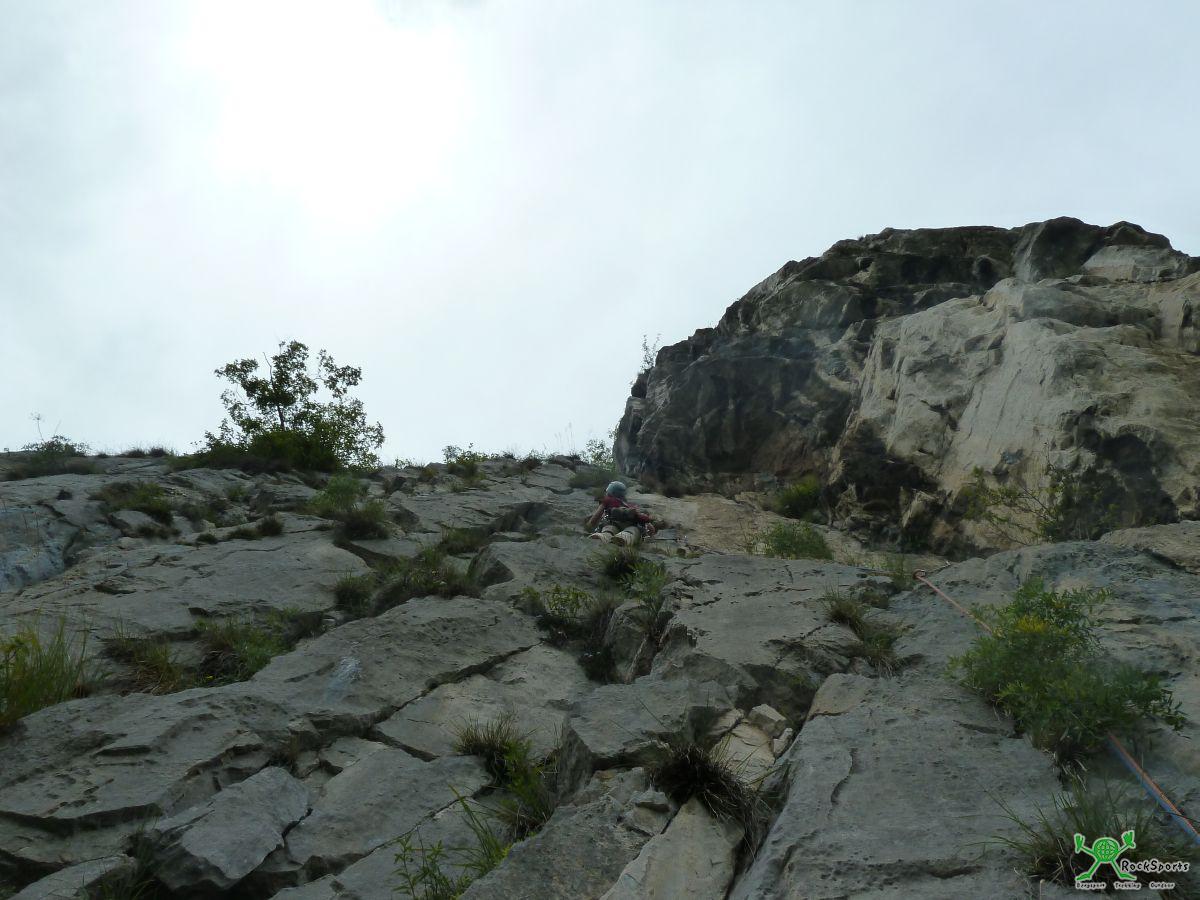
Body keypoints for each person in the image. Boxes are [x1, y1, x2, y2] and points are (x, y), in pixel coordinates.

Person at [585, 481, 656, 545]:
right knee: (631, 532)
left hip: (613, 523)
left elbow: (596, 516)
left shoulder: (608, 500)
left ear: (610, 491)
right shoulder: (629, 506)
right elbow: (648, 525)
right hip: (630, 525)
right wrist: (651, 535)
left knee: (609, 530)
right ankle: (624, 537)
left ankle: (604, 536)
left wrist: (589, 525)